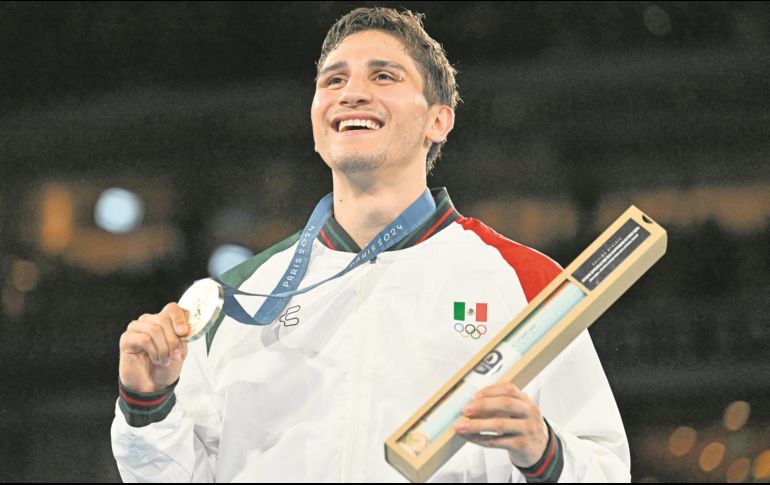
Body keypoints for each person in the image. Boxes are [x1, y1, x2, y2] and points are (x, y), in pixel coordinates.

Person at [111, 7, 630, 483]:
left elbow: (608, 471)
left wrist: (545, 452)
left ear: (438, 119)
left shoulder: (529, 284)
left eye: (384, 76)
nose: (351, 93)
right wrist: (148, 403)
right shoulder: (238, 298)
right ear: (317, 121)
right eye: (333, 80)